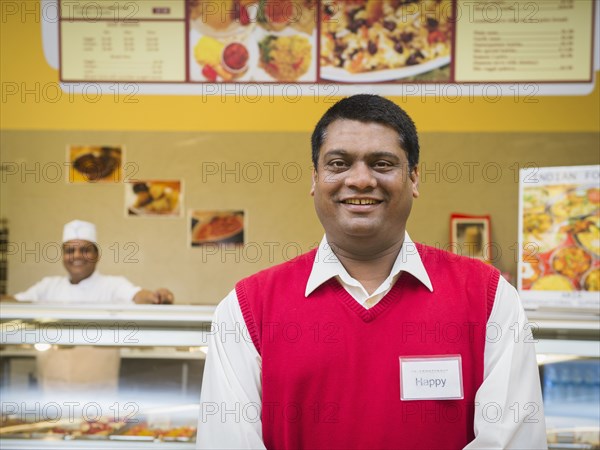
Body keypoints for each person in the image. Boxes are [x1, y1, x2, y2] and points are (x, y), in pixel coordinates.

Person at [198, 95, 547, 449]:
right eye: (339, 163)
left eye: (382, 164)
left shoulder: (488, 298)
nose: (361, 180)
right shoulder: (247, 308)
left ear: (413, 178)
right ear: (315, 179)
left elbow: (513, 442)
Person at [3, 219, 174, 304]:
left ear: (97, 255)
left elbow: (137, 295)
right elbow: (16, 303)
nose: (77, 256)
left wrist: (155, 297)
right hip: (52, 369)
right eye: (70, 250)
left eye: (85, 250)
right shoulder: (48, 286)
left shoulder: (113, 285)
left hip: (101, 369)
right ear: (63, 256)